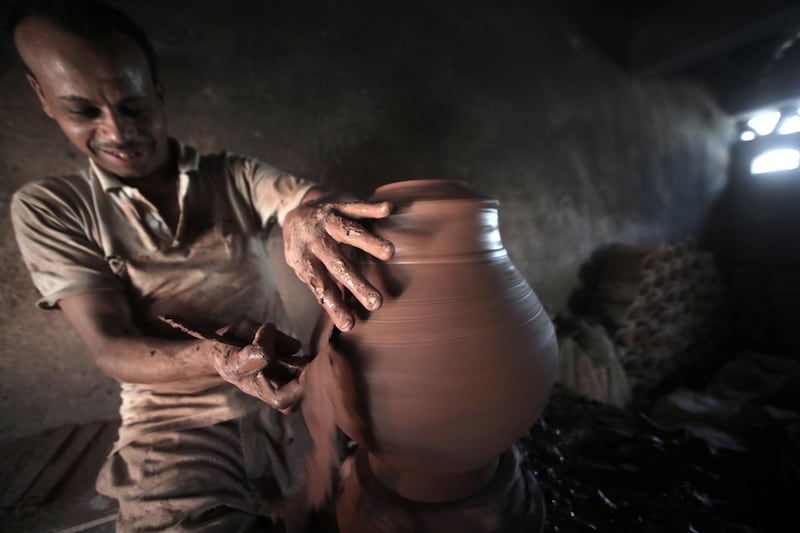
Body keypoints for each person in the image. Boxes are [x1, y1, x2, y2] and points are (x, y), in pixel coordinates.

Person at [6, 0, 394, 530]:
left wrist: (307, 215)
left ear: (159, 97)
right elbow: (110, 345)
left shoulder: (230, 175)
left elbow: (301, 200)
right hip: (173, 422)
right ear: (43, 100)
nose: (118, 132)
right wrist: (215, 359)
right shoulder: (52, 207)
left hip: (293, 391)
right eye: (83, 112)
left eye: (134, 107)